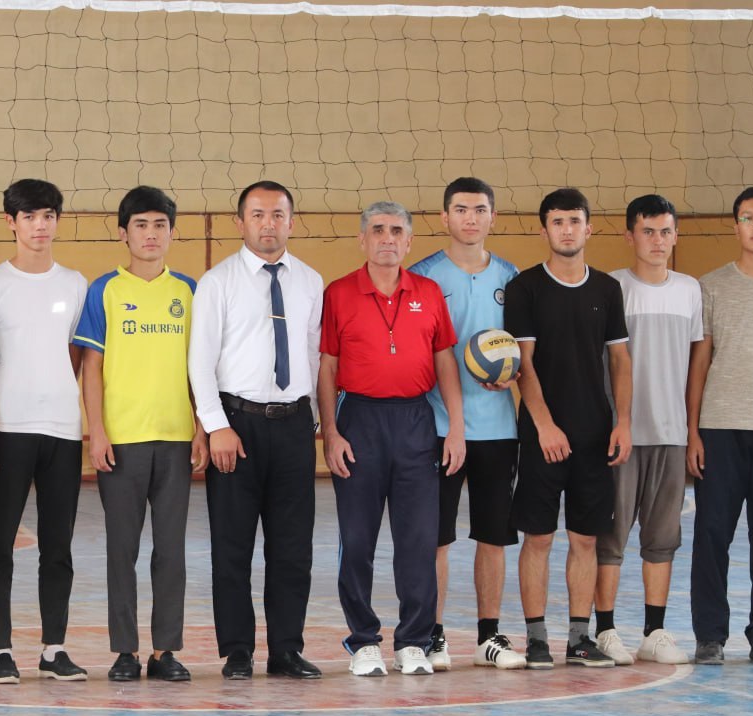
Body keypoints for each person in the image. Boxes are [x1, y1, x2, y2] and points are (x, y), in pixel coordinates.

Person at [320, 201, 464, 677]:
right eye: (378, 230)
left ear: (409, 241)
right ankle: (363, 641)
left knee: (419, 539)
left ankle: (414, 642)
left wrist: (456, 428)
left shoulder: (429, 292)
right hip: (359, 420)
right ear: (362, 239)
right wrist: (331, 433)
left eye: (397, 231)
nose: (387, 238)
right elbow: (328, 367)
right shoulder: (339, 293)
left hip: (416, 422)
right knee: (357, 539)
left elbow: (445, 360)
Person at [188, 180, 324, 680]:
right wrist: (216, 426)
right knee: (232, 546)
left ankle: (286, 649)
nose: (269, 224)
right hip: (236, 425)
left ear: (292, 221)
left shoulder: (310, 281)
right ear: (240, 222)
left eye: (278, 215)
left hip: (294, 425)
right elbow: (200, 362)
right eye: (259, 215)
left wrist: (312, 417)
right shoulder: (217, 282)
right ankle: (238, 650)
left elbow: (311, 353)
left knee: (293, 548)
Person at [74, 186, 208, 683]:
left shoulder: (189, 291)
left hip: (176, 439)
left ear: (172, 232)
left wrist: (202, 427)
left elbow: (201, 368)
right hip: (122, 441)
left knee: (171, 551)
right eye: (140, 225)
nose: (150, 235)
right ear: (123, 233)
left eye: (159, 225)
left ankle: (165, 650)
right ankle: (125, 651)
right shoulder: (104, 290)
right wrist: (96, 431)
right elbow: (92, 367)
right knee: (121, 551)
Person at [504, 187, 632, 670]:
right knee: (538, 538)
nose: (566, 229)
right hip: (543, 435)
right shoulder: (525, 287)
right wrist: (544, 425)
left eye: (574, 220)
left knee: (585, 539)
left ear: (588, 228)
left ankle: (579, 639)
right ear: (544, 230)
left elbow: (620, 360)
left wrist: (623, 422)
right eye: (557, 222)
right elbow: (524, 364)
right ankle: (537, 639)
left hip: (595, 433)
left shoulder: (607, 289)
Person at [0, 179, 89, 683]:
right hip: (7, 430)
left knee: (57, 546)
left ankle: (53, 648)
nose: (40, 225)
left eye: (49, 216)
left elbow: (76, 354)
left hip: (63, 431)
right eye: (30, 216)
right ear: (11, 222)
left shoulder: (76, 284)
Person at [410, 177, 527, 671]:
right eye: (461, 209)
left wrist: (514, 372)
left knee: (493, 536)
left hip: (498, 429)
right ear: (445, 217)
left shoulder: (512, 278)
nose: (471, 218)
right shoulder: (422, 276)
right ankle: (433, 635)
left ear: (493, 217)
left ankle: (488, 636)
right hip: (439, 428)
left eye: (480, 209)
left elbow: (525, 347)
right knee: (436, 538)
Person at [687, 186, 753, 665]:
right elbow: (700, 362)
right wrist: (692, 431)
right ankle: (710, 636)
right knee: (712, 533)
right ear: (735, 227)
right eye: (748, 218)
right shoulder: (710, 286)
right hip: (719, 427)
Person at [592, 195, 701, 666]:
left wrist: (691, 430)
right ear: (630, 235)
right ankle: (605, 630)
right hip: (622, 435)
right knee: (611, 536)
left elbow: (696, 363)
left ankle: (654, 632)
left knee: (662, 537)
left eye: (665, 232)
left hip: (671, 434)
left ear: (676, 236)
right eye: (648, 231)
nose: (658, 241)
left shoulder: (690, 290)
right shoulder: (612, 288)